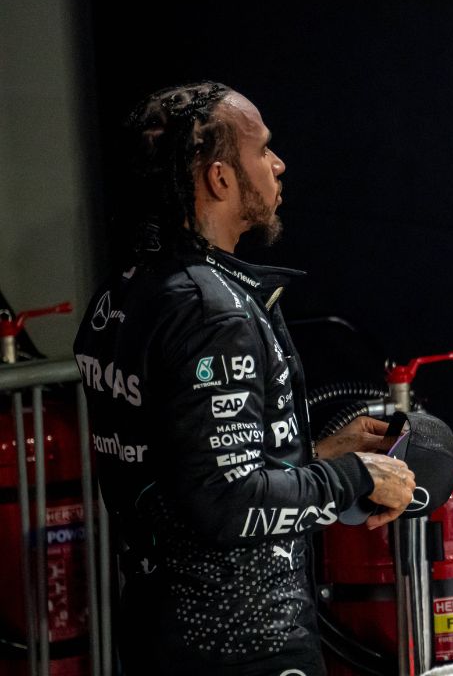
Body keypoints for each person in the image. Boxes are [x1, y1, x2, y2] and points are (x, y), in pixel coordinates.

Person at [73, 81, 416, 676]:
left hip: (158, 629)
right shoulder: (213, 309)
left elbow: (186, 466)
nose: (278, 164)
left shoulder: (124, 290)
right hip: (244, 641)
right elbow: (223, 502)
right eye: (262, 150)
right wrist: (352, 475)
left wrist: (315, 453)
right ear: (220, 179)